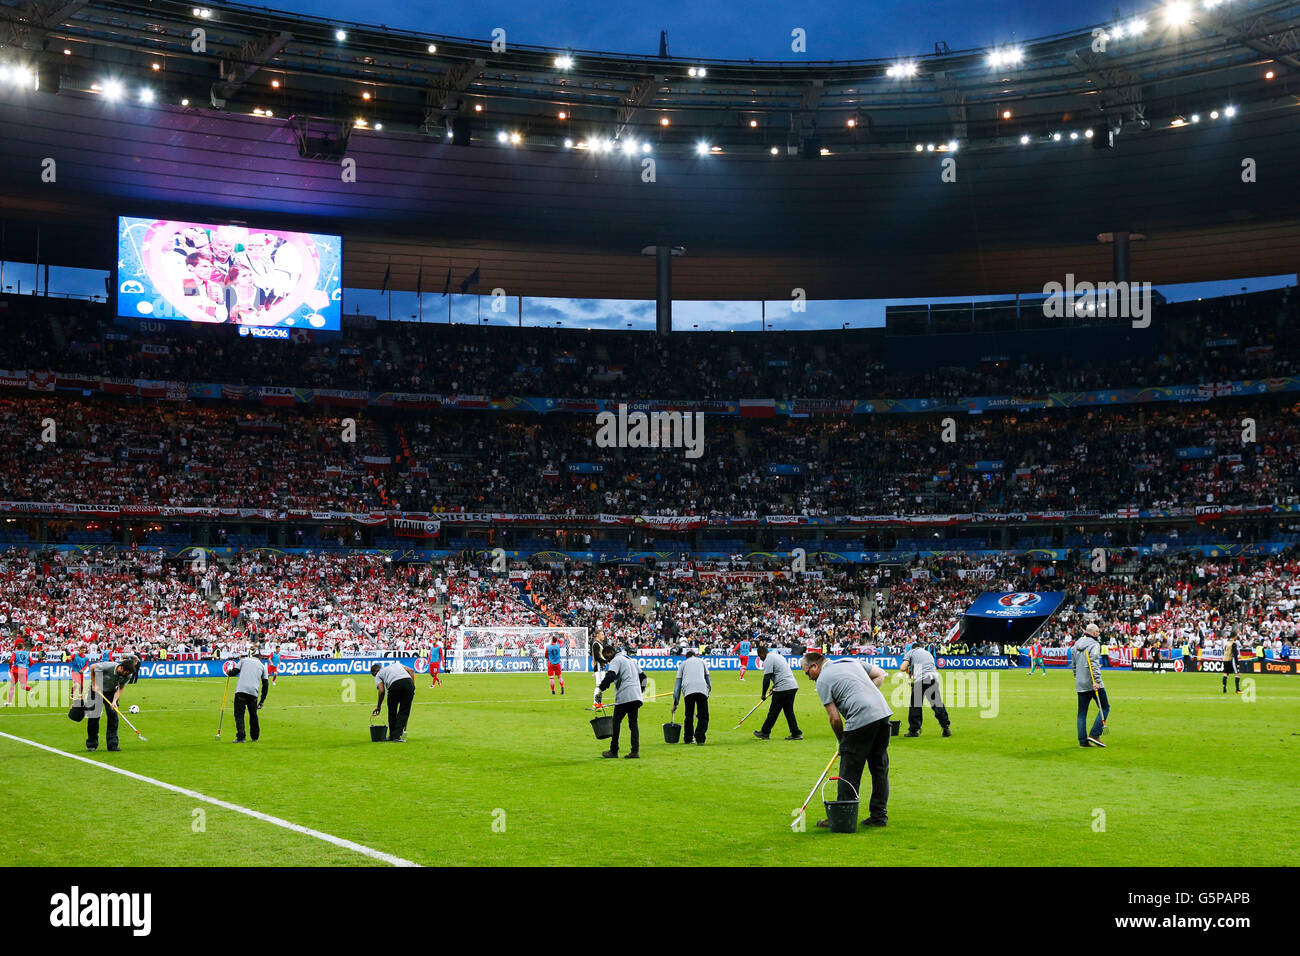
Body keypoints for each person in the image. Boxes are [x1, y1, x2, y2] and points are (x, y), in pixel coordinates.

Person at [802, 651, 892, 828]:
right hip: (883, 715)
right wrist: (866, 696)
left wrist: (842, 741)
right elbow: (880, 674)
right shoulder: (850, 660)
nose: (808, 677)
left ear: (815, 666)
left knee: (849, 770)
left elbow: (834, 718)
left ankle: (842, 816)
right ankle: (879, 816)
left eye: (807, 673)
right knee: (879, 768)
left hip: (860, 720)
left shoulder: (822, 680)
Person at [598, 644, 646, 759]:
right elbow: (644, 677)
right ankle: (635, 751)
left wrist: (600, 690)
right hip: (636, 696)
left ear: (610, 652)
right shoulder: (630, 659)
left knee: (616, 722)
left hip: (625, 696)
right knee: (633, 724)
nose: (607, 660)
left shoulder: (616, 660)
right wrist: (641, 690)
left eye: (607, 657)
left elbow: (610, 676)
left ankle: (614, 751)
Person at [84, 656, 140, 753]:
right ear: (121, 668)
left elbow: (121, 687)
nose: (127, 675)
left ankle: (112, 745)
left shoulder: (127, 675)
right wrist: (94, 684)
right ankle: (92, 744)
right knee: (94, 717)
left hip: (111, 692)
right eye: (126, 673)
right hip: (96, 690)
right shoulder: (108, 666)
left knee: (113, 717)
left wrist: (114, 701)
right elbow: (92, 667)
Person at [899, 643, 951, 737]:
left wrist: (909, 667)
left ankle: (914, 731)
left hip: (921, 680)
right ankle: (945, 727)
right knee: (937, 704)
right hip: (933, 678)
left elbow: (902, 668)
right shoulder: (928, 654)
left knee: (916, 705)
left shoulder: (911, 652)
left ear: (913, 648)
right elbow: (934, 668)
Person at [1072, 623, 1109, 747]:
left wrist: (1077, 678)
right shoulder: (1094, 644)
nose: (1099, 634)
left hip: (1080, 682)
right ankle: (1095, 734)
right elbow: (1094, 663)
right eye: (1098, 632)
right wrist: (1097, 681)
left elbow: (1074, 665)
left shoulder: (1075, 645)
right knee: (1105, 707)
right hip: (1093, 682)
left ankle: (1083, 741)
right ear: (1094, 633)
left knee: (1081, 713)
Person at [754, 644, 801, 740]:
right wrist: (774, 686)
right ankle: (796, 733)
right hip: (792, 686)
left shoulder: (768, 659)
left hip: (783, 688)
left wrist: (763, 693)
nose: (760, 658)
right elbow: (782, 672)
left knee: (773, 711)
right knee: (788, 711)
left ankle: (765, 732)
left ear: (762, 653)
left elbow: (766, 678)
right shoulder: (777, 656)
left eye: (759, 656)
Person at [671, 648, 711, 745]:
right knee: (703, 715)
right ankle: (700, 737)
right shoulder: (702, 662)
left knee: (689, 715)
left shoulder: (682, 665)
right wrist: (708, 692)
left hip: (688, 690)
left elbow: (677, 686)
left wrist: (675, 703)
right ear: (695, 655)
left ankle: (688, 738)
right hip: (702, 689)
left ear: (686, 657)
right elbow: (708, 680)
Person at [228, 651, 269, 743]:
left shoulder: (243, 660)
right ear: (260, 659)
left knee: (239, 714)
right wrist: (262, 701)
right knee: (253, 715)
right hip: (253, 693)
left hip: (241, 691)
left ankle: (241, 737)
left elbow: (234, 672)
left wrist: (229, 672)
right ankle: (255, 737)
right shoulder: (263, 666)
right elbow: (265, 685)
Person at [371, 661, 416, 742]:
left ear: (374, 672)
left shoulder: (378, 675)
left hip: (394, 685)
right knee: (404, 711)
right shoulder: (397, 664)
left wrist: (378, 706)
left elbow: (381, 691)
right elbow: (411, 671)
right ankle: (396, 736)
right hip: (409, 683)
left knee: (392, 711)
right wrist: (413, 687)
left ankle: (393, 736)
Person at [4, 638, 33, 706]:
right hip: (24, 670)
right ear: (23, 647)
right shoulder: (26, 653)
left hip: (16, 670)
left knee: (12, 686)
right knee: (23, 686)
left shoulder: (15, 653)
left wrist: (10, 668)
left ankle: (10, 702)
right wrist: (27, 667)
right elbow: (32, 662)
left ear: (17, 647)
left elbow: (11, 661)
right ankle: (31, 690)